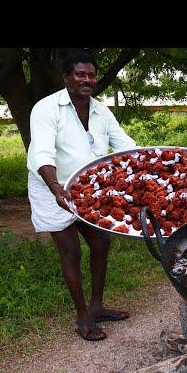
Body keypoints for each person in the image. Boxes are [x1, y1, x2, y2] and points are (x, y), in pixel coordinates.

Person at [26, 50, 138, 341]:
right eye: (80, 74)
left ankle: (97, 306)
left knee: (101, 243)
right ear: (66, 78)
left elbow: (125, 144)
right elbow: (42, 153)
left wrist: (150, 164)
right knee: (71, 251)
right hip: (51, 186)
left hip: (87, 188)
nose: (87, 80)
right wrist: (55, 187)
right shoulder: (46, 108)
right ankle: (82, 318)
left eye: (91, 75)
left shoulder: (101, 110)